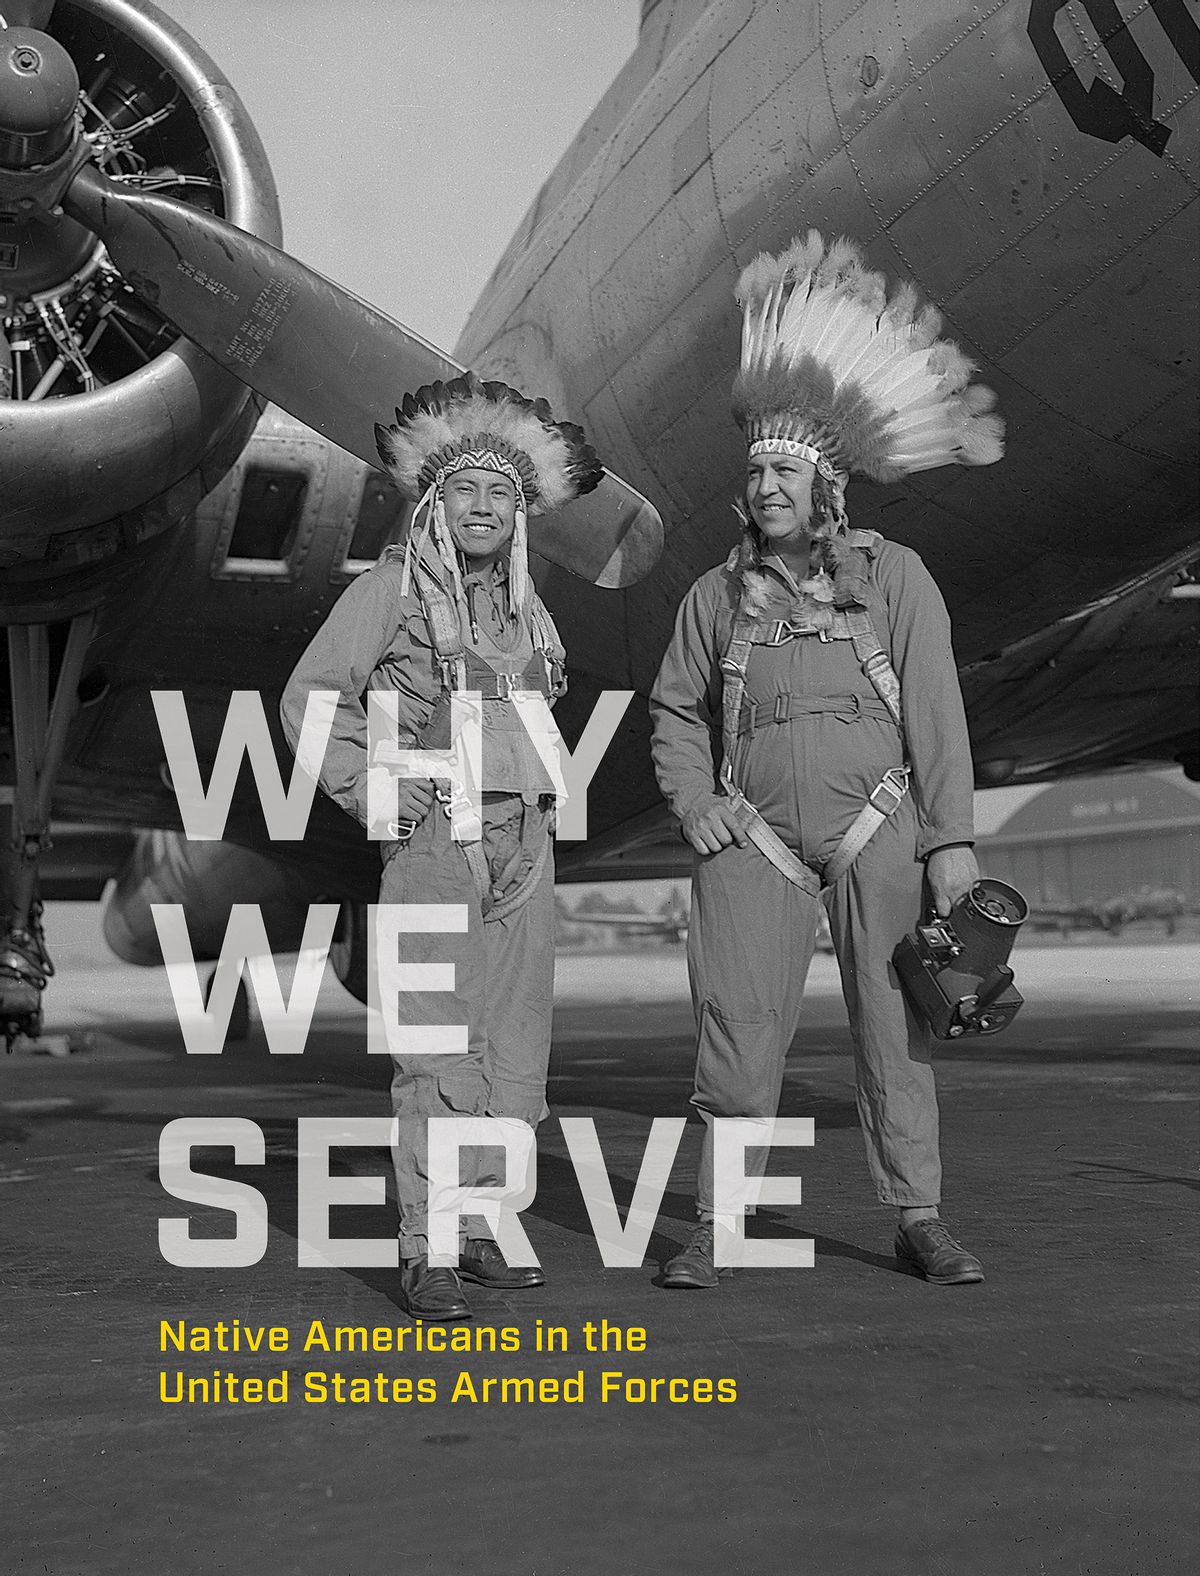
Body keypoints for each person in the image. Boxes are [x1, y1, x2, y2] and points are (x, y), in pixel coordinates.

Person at [649, 231, 1005, 1289]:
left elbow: (935, 713)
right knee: (736, 1031)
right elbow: (673, 713)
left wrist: (951, 844)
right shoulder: (712, 599)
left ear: (826, 485)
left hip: (882, 831)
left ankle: (919, 1215)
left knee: (898, 1029)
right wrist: (694, 803)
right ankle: (719, 1224)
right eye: (755, 468)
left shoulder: (896, 580)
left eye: (785, 470)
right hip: (750, 842)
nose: (765, 484)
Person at [281, 373, 602, 1320]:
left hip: (523, 853)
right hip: (434, 848)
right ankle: (426, 1248)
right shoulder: (388, 593)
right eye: (464, 490)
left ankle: (481, 1230)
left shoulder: (530, 617)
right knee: (437, 1055)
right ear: (435, 501)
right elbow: (309, 703)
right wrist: (383, 794)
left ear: (520, 514)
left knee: (513, 1058)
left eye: (500, 494)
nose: (482, 508)